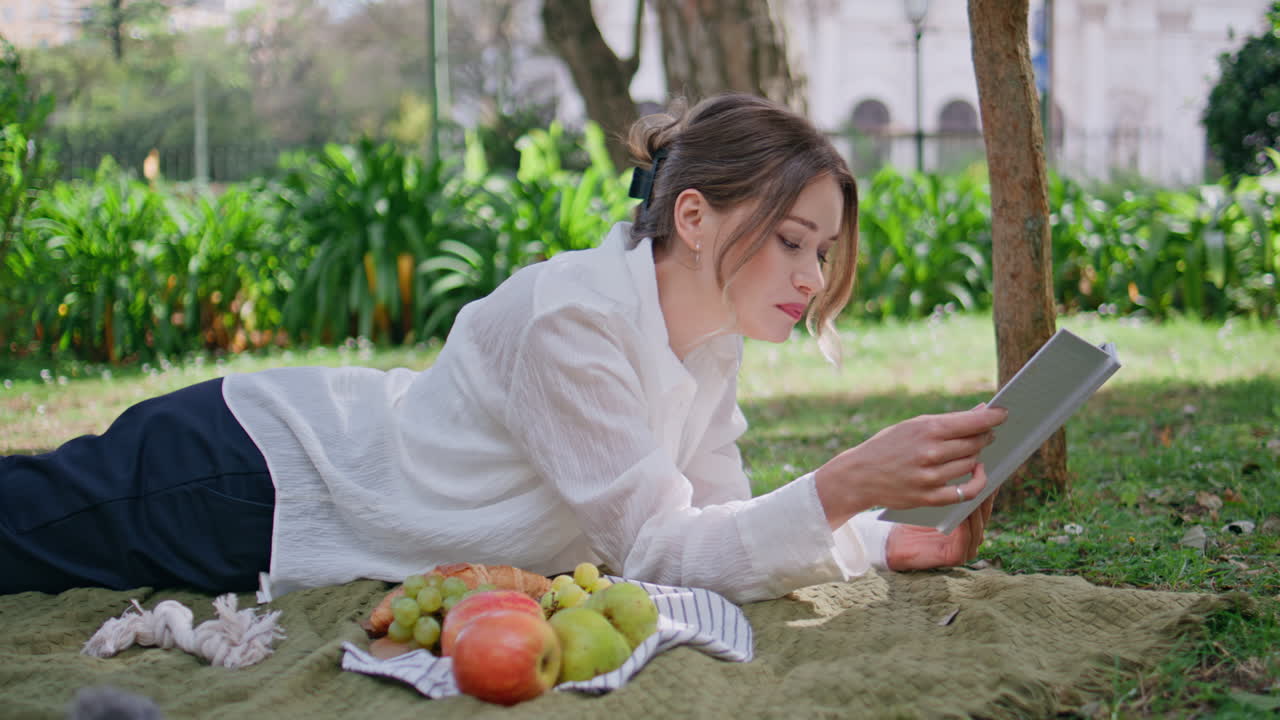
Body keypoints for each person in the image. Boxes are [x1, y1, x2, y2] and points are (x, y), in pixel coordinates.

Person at [0, 93, 1007, 604]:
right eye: (791, 241)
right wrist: (838, 487)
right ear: (692, 218)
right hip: (252, 474)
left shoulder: (705, 342)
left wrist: (878, 536)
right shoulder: (571, 317)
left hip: (285, 466)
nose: (809, 275)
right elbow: (654, 555)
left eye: (821, 250)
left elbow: (709, 524)